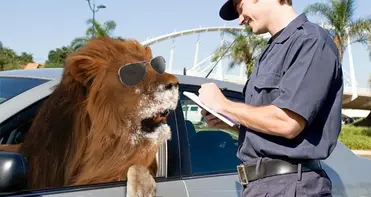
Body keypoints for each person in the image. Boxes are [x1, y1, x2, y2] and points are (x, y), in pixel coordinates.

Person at [198, 0, 343, 196]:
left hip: (290, 186)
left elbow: (288, 123)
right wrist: (232, 123)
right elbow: (273, 125)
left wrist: (224, 105)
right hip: (265, 186)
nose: (240, 19)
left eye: (241, 8)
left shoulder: (311, 41)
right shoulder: (272, 50)